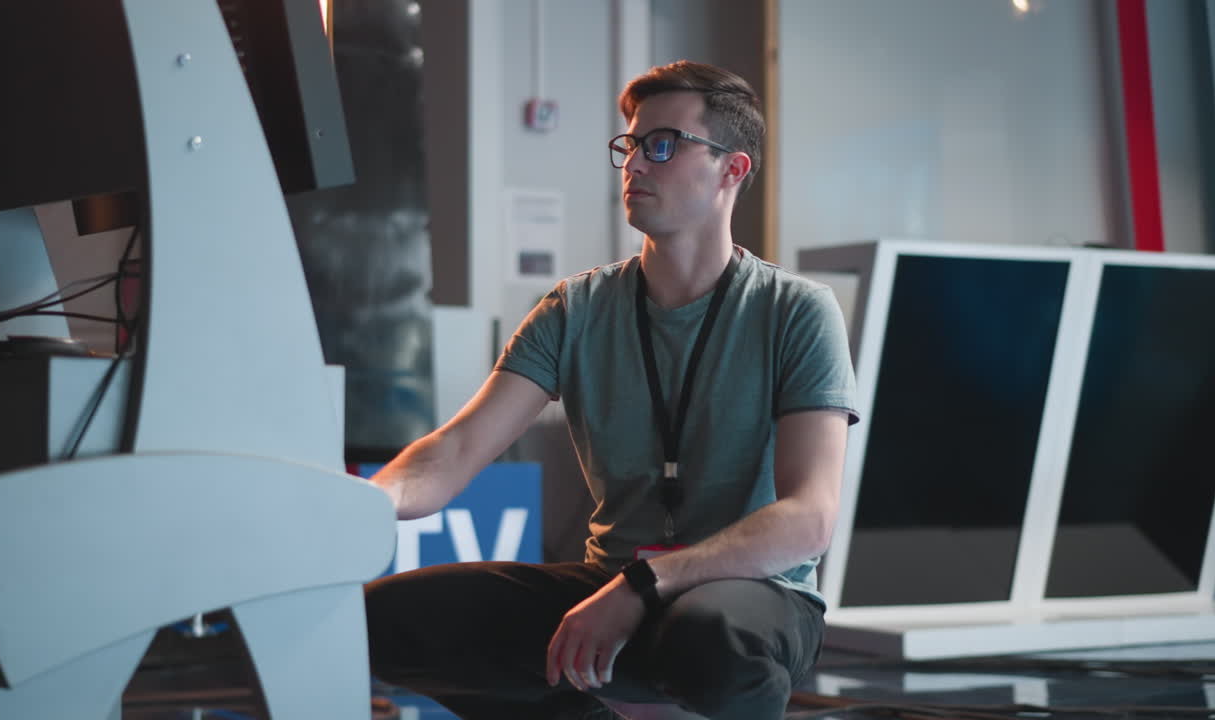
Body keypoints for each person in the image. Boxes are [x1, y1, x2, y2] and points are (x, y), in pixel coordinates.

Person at [364, 60, 858, 720]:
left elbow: (810, 518)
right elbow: (454, 453)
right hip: (611, 581)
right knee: (381, 620)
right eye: (629, 145)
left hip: (750, 593)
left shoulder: (796, 310)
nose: (634, 165)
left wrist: (645, 584)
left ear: (731, 171)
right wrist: (362, 506)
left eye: (662, 145)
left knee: (706, 637)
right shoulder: (577, 308)